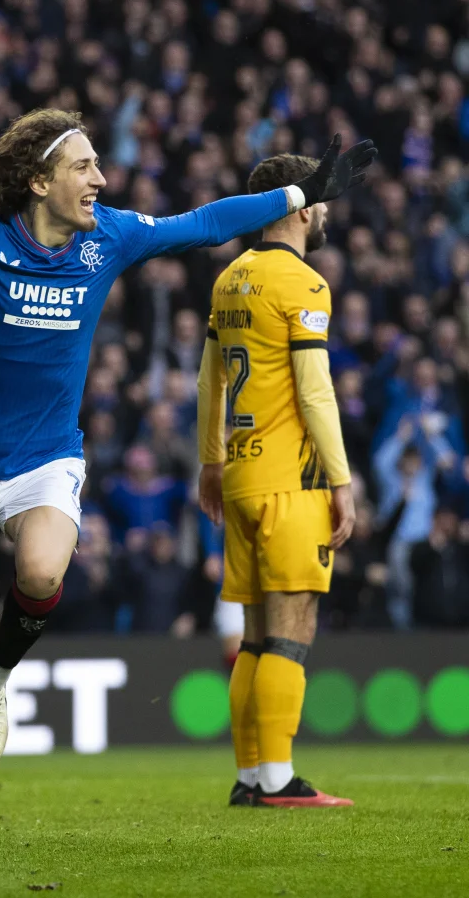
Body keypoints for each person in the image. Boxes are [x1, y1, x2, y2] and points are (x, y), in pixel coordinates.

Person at [0, 104, 375, 833]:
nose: (102, 178)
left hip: (48, 455)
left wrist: (298, 191)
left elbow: (204, 222)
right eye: (84, 167)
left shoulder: (109, 240)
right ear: (38, 181)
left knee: (40, 574)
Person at [197, 152, 360, 809]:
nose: (323, 212)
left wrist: (209, 461)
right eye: (317, 201)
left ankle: (249, 777)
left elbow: (210, 380)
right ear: (295, 208)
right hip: (291, 479)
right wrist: (342, 481)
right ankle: (278, 780)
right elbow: (315, 390)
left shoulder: (229, 278)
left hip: (237, 472)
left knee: (256, 636)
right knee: (293, 629)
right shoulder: (306, 284)